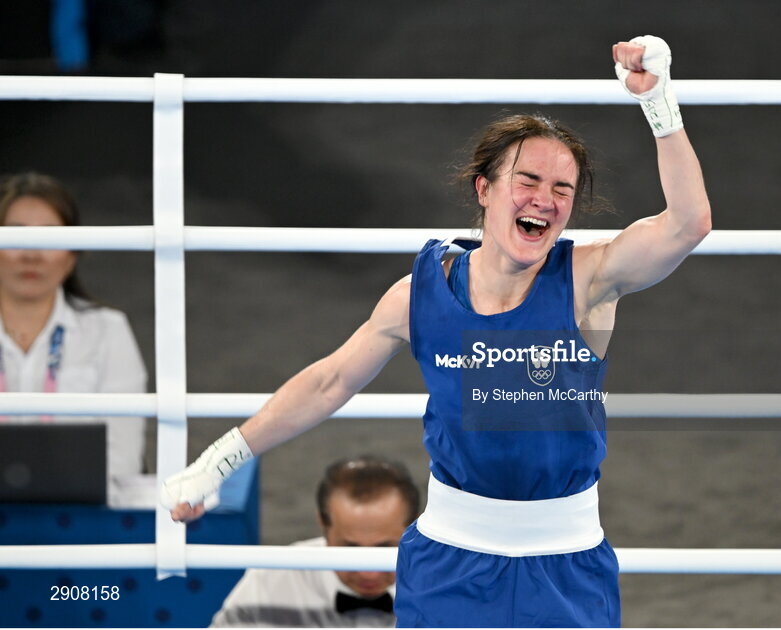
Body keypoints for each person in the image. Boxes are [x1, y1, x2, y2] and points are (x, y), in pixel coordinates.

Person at [163, 35, 711, 627]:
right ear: (485, 189)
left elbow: (688, 223)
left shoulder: (590, 279)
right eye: (527, 181)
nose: (545, 200)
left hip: (566, 565)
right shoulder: (417, 296)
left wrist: (659, 103)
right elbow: (328, 383)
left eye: (562, 190)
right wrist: (218, 462)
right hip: (448, 561)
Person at [0, 172, 148, 487]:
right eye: (16, 234)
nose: (32, 253)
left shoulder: (109, 331)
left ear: (72, 255)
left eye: (49, 236)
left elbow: (122, 462)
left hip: (78, 520)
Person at [210, 456, 420, 628]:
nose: (368, 573)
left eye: (383, 549)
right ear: (323, 524)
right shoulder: (273, 577)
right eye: (350, 549)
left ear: (414, 527)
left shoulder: (445, 580)